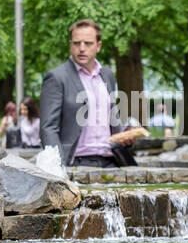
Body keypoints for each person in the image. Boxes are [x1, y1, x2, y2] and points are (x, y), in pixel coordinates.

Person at [39, 19, 136, 167]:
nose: (82, 48)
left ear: (98, 46)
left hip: (111, 160)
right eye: (77, 43)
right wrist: (56, 167)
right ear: (70, 45)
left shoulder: (107, 75)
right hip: (75, 162)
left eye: (88, 43)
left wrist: (125, 133)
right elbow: (48, 128)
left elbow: (111, 118)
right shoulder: (57, 77)